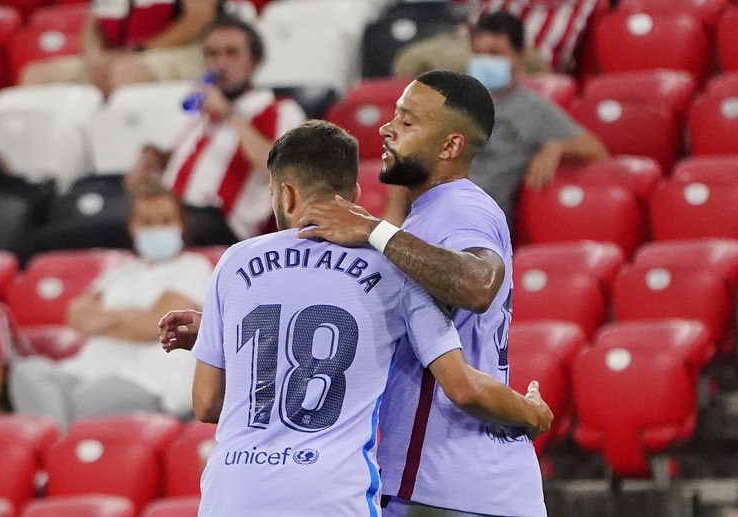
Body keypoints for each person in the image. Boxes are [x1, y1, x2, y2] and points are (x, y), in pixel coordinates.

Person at [167, 120, 552, 516]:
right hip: (332, 494)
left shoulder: (235, 262)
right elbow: (463, 387)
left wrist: (243, 352)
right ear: (354, 193)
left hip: (233, 492)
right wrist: (532, 413)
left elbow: (207, 403)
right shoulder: (395, 268)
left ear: (286, 194)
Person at [283, 71, 548, 516]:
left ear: (450, 146)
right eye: (394, 116)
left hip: (452, 486)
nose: (387, 129)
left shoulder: (460, 206)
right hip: (454, 483)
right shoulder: (425, 217)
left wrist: (374, 230)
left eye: (407, 122)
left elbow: (479, 284)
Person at [8, 182, 213, 428]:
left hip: (148, 378)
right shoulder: (122, 271)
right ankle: (63, 441)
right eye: (147, 222)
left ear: (182, 225)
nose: (157, 228)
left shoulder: (193, 267)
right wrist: (132, 316)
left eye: (166, 221)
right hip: (87, 369)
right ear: (133, 227)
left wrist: (104, 319)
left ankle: (56, 442)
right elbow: (77, 316)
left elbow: (157, 327)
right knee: (27, 373)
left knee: (77, 402)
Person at [387, 11, 608, 229]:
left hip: (477, 227)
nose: (485, 61)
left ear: (519, 56)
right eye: (478, 54)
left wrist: (557, 147)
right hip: (422, 218)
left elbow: (596, 150)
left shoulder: (535, 110)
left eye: (495, 54)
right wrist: (393, 215)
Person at [126, 16, 307, 245]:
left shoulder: (278, 110)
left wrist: (230, 115)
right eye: (211, 54)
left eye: (231, 53)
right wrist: (156, 159)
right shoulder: (205, 113)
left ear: (255, 61)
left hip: (223, 224)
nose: (220, 63)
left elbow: (282, 171)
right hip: (176, 211)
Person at [21, 0, 218, 97]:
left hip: (179, 51)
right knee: (36, 76)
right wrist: (95, 60)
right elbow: (91, 30)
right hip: (119, 56)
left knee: (126, 73)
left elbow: (199, 18)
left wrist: (141, 50)